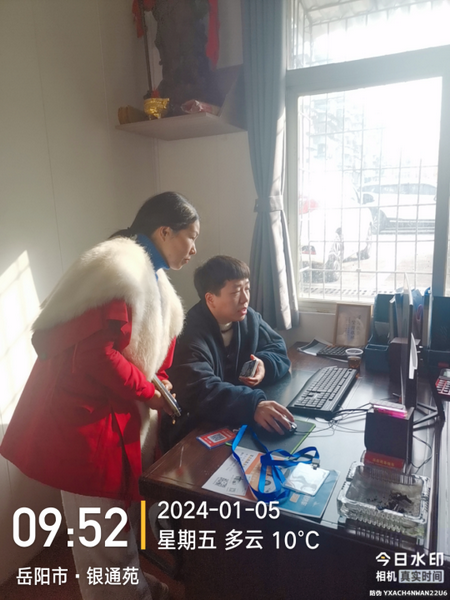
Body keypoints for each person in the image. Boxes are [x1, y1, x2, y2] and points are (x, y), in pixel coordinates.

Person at [0, 191, 200, 600]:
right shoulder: (117, 269)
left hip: (114, 416)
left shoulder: (153, 278)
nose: (194, 248)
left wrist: (159, 383)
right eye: (191, 237)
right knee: (101, 533)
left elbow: (147, 355)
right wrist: (148, 391)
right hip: (85, 424)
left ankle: (134, 587)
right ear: (164, 231)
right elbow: (96, 354)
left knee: (117, 525)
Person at [160, 255, 294, 450]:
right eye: (236, 292)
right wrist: (252, 405)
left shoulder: (249, 318)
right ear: (210, 299)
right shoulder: (189, 334)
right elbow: (201, 389)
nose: (245, 299)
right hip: (195, 430)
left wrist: (264, 365)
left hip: (234, 419)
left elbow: (278, 348)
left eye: (247, 289)